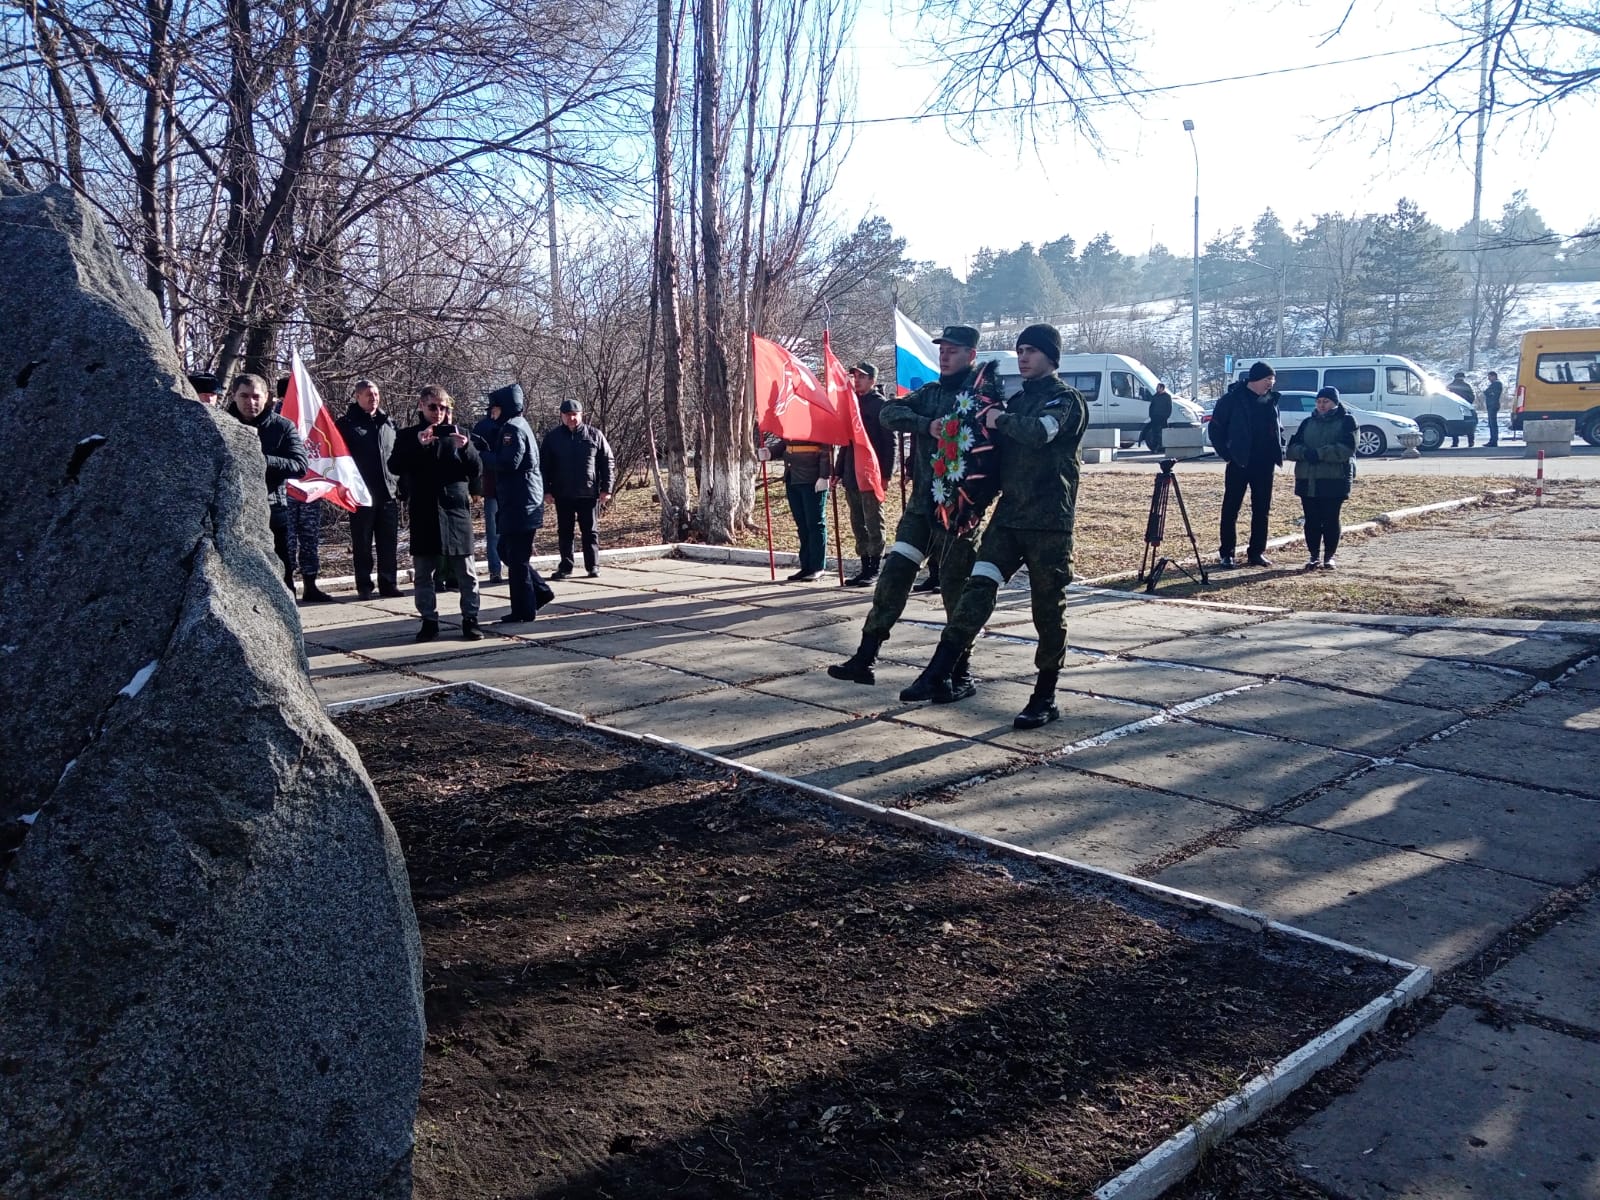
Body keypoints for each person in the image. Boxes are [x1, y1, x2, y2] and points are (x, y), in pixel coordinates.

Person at [902, 324, 1088, 726]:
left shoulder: (1066, 401)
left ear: (1051, 357)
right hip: (1008, 520)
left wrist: (998, 418)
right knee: (977, 590)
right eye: (1020, 350)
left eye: (1032, 351)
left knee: (1047, 610)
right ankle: (940, 670)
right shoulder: (1017, 400)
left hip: (1049, 524)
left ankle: (1045, 695)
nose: (1023, 357)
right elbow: (990, 461)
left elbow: (1039, 433)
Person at [827, 323, 1006, 691]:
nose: (945, 355)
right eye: (942, 349)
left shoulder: (984, 399)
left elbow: (995, 458)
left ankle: (959, 670)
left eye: (953, 350)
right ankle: (866, 655)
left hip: (960, 513)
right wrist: (928, 425)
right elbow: (888, 413)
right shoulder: (931, 394)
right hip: (922, 508)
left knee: (956, 589)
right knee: (894, 577)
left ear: (971, 356)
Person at [387, 385, 483, 642]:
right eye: (433, 407)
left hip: (455, 512)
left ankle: (470, 619)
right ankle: (429, 620)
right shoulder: (408, 435)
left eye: (443, 408)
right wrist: (419, 445)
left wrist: (466, 448)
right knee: (423, 573)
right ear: (421, 406)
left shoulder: (459, 434)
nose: (438, 413)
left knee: (466, 572)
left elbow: (476, 471)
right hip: (425, 511)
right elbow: (394, 465)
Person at [225, 373, 307, 586]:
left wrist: (260, 459)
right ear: (234, 396)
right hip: (230, 511)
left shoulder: (282, 427)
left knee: (281, 575)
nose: (250, 402)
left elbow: (299, 466)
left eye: (256, 396)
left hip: (272, 510)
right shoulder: (219, 424)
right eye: (244, 396)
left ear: (267, 397)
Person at [484, 383, 556, 623]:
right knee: (507, 551)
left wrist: (479, 455)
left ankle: (524, 610)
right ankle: (540, 592)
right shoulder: (517, 425)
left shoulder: (511, 430)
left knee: (516, 558)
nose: (491, 413)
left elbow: (508, 463)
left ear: (503, 408)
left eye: (494, 409)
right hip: (521, 501)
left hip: (520, 503)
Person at [1208, 360, 1283, 568]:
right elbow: (1215, 430)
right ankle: (1227, 553)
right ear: (1255, 379)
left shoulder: (1271, 400)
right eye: (1268, 379)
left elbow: (1276, 429)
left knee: (1262, 510)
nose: (1271, 384)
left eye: (1272, 380)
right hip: (1239, 462)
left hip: (1264, 463)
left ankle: (1256, 552)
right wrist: (1228, 455)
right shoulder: (1231, 400)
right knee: (1231, 509)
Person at [336, 378, 402, 600]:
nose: (373, 398)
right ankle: (364, 586)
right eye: (368, 395)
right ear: (357, 397)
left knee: (388, 543)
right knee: (362, 543)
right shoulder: (346, 424)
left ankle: (388, 583)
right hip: (361, 494)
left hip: (387, 493)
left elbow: (396, 456)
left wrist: (399, 485)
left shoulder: (388, 423)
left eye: (375, 394)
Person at [540, 397, 615, 580]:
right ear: (561, 416)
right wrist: (546, 491)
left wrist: (607, 488)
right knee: (565, 532)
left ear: (581, 415)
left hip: (588, 493)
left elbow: (607, 462)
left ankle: (593, 566)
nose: (571, 418)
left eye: (575, 415)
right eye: (568, 415)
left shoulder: (594, 435)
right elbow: (543, 467)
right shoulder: (552, 438)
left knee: (590, 531)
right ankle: (566, 567)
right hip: (562, 494)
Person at [836, 361, 896, 588]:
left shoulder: (879, 405)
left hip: (871, 471)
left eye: (862, 376)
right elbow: (846, 442)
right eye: (855, 376)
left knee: (873, 521)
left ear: (872, 380)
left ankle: (874, 568)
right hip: (852, 472)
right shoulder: (851, 404)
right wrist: (838, 470)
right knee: (857, 522)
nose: (857, 380)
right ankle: (863, 566)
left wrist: (887, 475)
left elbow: (890, 443)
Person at [1285, 386, 1357, 570]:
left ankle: (1329, 556)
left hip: (1334, 480)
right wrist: (1304, 453)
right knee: (1312, 520)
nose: (1322, 405)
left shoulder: (1347, 421)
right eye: (1319, 401)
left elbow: (1347, 449)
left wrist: (1319, 454)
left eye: (1326, 401)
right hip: (1307, 479)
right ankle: (1313, 556)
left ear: (1335, 403)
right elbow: (1292, 448)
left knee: (1331, 519)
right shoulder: (1307, 423)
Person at [759, 433, 832, 583]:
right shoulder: (791, 422)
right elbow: (785, 444)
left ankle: (817, 566)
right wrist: (770, 452)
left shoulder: (816, 421)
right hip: (793, 477)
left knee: (815, 523)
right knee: (802, 524)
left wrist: (824, 476)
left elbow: (826, 450)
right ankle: (806, 565)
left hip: (812, 478)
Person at [471, 396, 505, 584]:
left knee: (510, 531)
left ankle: (511, 567)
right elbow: (476, 460)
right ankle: (495, 569)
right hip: (492, 487)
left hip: (508, 487)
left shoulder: (512, 426)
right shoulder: (482, 428)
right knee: (493, 532)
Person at [1141, 382, 1173, 453]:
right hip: (1155, 418)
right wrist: (1151, 415)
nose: (1156, 389)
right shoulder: (1155, 396)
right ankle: (1154, 448)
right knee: (1155, 433)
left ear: (1162, 388)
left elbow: (1169, 407)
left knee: (1163, 433)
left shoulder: (1167, 396)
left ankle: (1163, 447)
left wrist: (1166, 416)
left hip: (1163, 418)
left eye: (1158, 387)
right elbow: (1151, 407)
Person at [1447, 371, 1477, 447]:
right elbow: (1472, 396)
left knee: (1454, 424)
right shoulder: (1466, 386)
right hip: (1465, 407)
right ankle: (1471, 442)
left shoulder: (1450, 386)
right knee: (1468, 425)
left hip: (1453, 408)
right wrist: (1468, 404)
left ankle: (1455, 442)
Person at [1483, 370, 1503, 447]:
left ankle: (1494, 441)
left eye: (1490, 377)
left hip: (1493, 405)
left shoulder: (1497, 384)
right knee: (1491, 424)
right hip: (1492, 405)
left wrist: (1489, 393)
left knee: (1493, 424)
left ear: (1494, 376)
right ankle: (1492, 440)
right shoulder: (1494, 384)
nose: (1489, 378)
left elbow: (1488, 392)